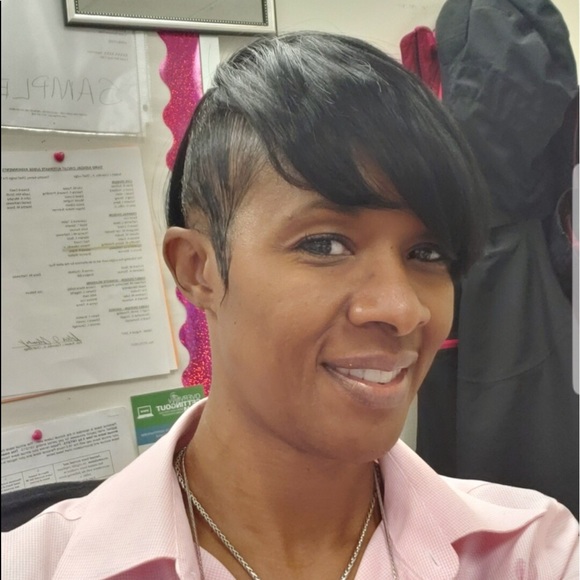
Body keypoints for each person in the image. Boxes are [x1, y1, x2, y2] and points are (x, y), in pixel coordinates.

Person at [2, 31, 578, 580]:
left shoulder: (529, 553)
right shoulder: (38, 565)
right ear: (198, 269)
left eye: (427, 253)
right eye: (325, 245)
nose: (402, 310)